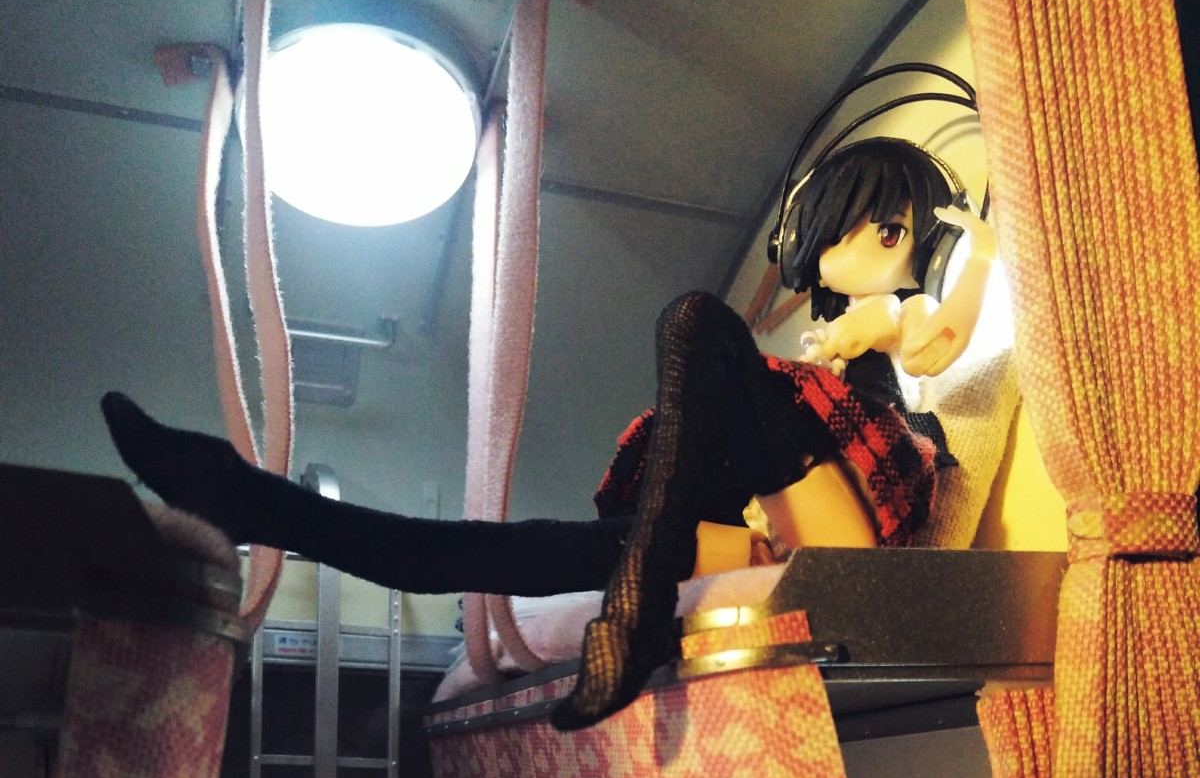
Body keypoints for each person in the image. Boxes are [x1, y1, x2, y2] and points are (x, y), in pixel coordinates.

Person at [101, 136, 995, 731]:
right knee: (494, 550)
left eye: (886, 230)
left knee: (697, 320)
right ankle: (257, 505)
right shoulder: (816, 359)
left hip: (851, 535)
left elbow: (934, 338)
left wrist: (980, 255)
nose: (863, 247)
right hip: (772, 532)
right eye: (846, 232)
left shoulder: (892, 319)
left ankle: (636, 603)